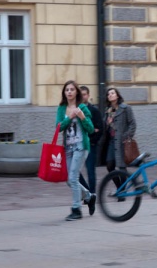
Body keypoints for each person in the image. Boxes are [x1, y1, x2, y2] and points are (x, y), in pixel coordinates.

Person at [56, 80, 97, 221]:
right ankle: (89, 197)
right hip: (68, 148)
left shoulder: (82, 108)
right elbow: (59, 127)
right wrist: (70, 118)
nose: (69, 92)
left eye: (72, 89)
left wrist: (82, 117)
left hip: (81, 146)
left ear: (76, 92)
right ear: (64, 93)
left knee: (72, 178)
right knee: (69, 180)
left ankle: (76, 210)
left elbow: (91, 129)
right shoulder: (62, 108)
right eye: (67, 90)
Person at [100, 88, 136, 174]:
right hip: (112, 141)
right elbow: (105, 126)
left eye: (112, 93)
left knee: (122, 166)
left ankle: (123, 187)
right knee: (109, 165)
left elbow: (132, 124)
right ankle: (119, 186)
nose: (110, 95)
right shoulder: (108, 111)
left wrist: (126, 136)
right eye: (108, 94)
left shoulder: (126, 108)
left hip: (122, 141)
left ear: (117, 95)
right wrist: (107, 123)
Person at [79, 85, 103, 194]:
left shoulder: (94, 110)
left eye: (84, 94)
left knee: (90, 171)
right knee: (74, 172)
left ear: (88, 95)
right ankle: (87, 191)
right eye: (81, 94)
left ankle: (92, 194)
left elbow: (100, 128)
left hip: (91, 145)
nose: (83, 97)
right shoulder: (75, 110)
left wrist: (93, 140)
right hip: (78, 145)